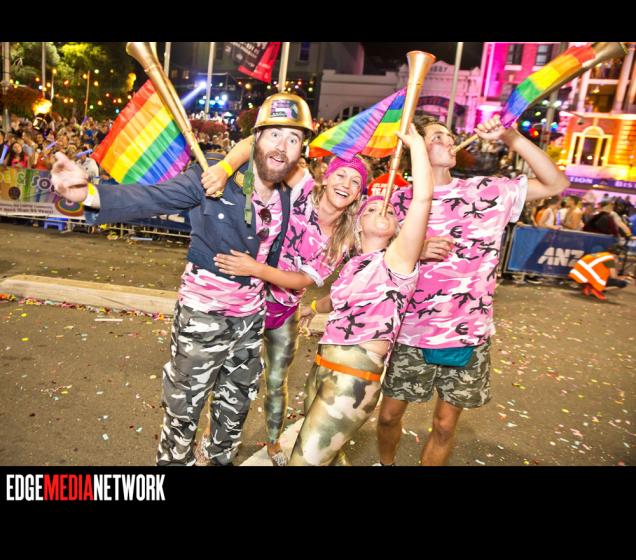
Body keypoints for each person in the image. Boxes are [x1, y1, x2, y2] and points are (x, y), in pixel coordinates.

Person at [51, 92, 314, 466]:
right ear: (256, 138)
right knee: (182, 417)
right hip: (202, 318)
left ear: (301, 149)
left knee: (233, 415)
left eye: (293, 139)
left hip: (249, 322)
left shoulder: (288, 193)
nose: (282, 147)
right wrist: (88, 194)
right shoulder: (212, 177)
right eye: (274, 135)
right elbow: (151, 198)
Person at [376, 114, 570, 466]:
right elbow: (371, 258)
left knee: (444, 425)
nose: (449, 140)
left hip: (467, 333)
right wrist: (413, 249)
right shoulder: (397, 200)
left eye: (450, 135)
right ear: (413, 147)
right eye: (437, 136)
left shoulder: (486, 192)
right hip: (409, 331)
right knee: (388, 416)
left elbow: (555, 183)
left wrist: (510, 137)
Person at [287, 124, 435, 466]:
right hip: (322, 367)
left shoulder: (397, 260)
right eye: (371, 208)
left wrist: (417, 148)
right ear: (356, 224)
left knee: (303, 462)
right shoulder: (353, 265)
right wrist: (312, 307)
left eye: (390, 211)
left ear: (398, 229)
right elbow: (337, 301)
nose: (382, 210)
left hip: (354, 379)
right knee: (322, 457)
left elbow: (423, 200)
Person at [207, 153, 365, 466]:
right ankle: (213, 438)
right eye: (341, 175)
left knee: (276, 383)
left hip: (283, 312)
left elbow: (302, 279)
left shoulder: (343, 237)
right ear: (326, 177)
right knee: (230, 377)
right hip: (246, 300)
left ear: (359, 193)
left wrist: (255, 268)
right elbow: (271, 154)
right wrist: (225, 168)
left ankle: (273, 442)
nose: (346, 184)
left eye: (355, 182)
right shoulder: (303, 188)